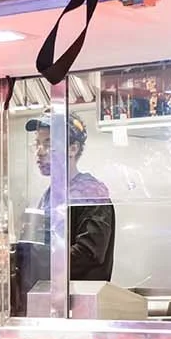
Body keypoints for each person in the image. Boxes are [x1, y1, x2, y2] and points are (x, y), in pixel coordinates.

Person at [26, 116, 116, 282]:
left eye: (48, 144)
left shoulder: (90, 194)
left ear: (73, 149)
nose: (40, 151)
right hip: (49, 296)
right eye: (37, 143)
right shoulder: (50, 195)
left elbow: (88, 252)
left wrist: (38, 263)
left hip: (78, 300)